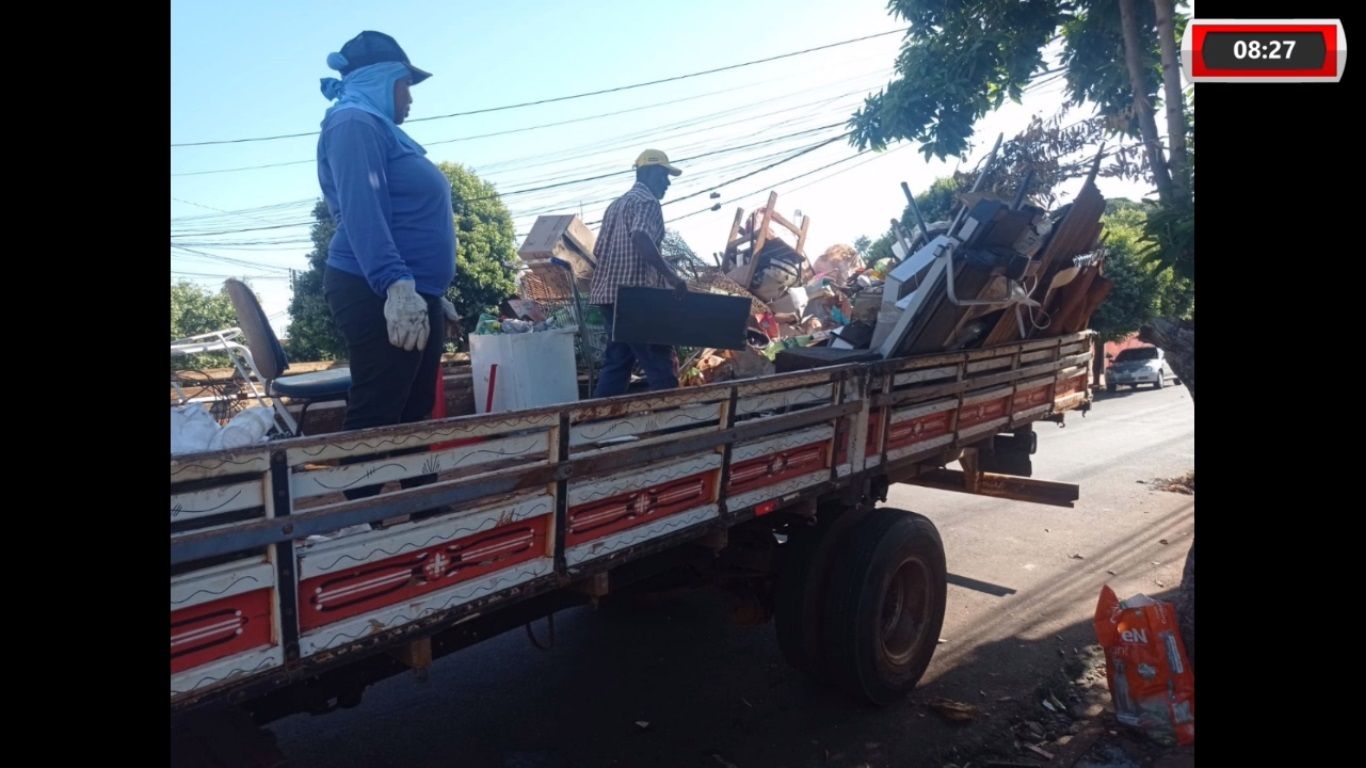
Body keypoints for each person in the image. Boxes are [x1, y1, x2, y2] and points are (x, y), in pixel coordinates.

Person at [316, 31, 460, 501]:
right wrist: (396, 284)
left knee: (414, 406)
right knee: (380, 409)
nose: (411, 97)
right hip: (373, 286)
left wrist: (434, 289)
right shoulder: (353, 123)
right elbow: (362, 213)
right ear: (383, 80)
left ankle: (423, 509)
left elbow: (406, 215)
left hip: (413, 288)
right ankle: (361, 523)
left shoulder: (379, 127)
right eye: (406, 84)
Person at [589, 149, 689, 397]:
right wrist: (671, 277)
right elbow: (641, 236)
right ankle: (673, 426)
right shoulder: (647, 202)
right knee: (659, 365)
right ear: (651, 172)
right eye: (665, 175)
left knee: (617, 363)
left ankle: (598, 425)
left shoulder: (616, 205)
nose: (667, 183)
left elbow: (597, 250)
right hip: (635, 300)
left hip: (608, 298)